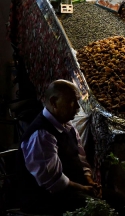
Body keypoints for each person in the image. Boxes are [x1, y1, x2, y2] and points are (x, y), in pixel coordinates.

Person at [17, 79, 100, 215]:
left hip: (71, 191)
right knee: (99, 208)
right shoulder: (41, 134)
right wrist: (84, 189)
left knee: (116, 199)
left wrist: (90, 182)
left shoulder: (67, 125)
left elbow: (81, 158)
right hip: (46, 200)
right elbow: (54, 183)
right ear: (54, 102)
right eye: (71, 102)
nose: (78, 108)